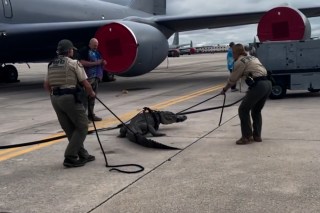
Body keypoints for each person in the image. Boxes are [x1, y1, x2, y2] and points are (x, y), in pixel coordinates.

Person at [44, 39, 96, 167]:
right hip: (69, 98)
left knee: (69, 129)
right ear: (69, 51)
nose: (73, 51)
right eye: (72, 49)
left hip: (55, 99)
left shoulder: (51, 64)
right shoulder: (74, 63)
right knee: (83, 126)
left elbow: (46, 84)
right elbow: (86, 83)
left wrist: (54, 95)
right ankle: (70, 157)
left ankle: (83, 154)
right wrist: (91, 93)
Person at [221, 43, 272, 145]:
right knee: (256, 110)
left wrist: (224, 90)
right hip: (268, 84)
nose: (233, 55)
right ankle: (257, 136)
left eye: (233, 53)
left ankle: (246, 137)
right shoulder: (252, 57)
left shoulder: (239, 62)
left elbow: (233, 80)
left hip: (259, 85)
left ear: (236, 52)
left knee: (243, 109)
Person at [78, 38, 107, 121]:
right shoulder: (84, 51)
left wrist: (103, 63)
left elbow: (101, 61)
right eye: (94, 45)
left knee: (92, 97)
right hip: (88, 78)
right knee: (85, 98)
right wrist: (96, 63)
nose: (95, 47)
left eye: (97, 46)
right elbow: (81, 62)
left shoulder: (97, 52)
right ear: (90, 44)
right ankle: (83, 118)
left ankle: (91, 115)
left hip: (96, 78)